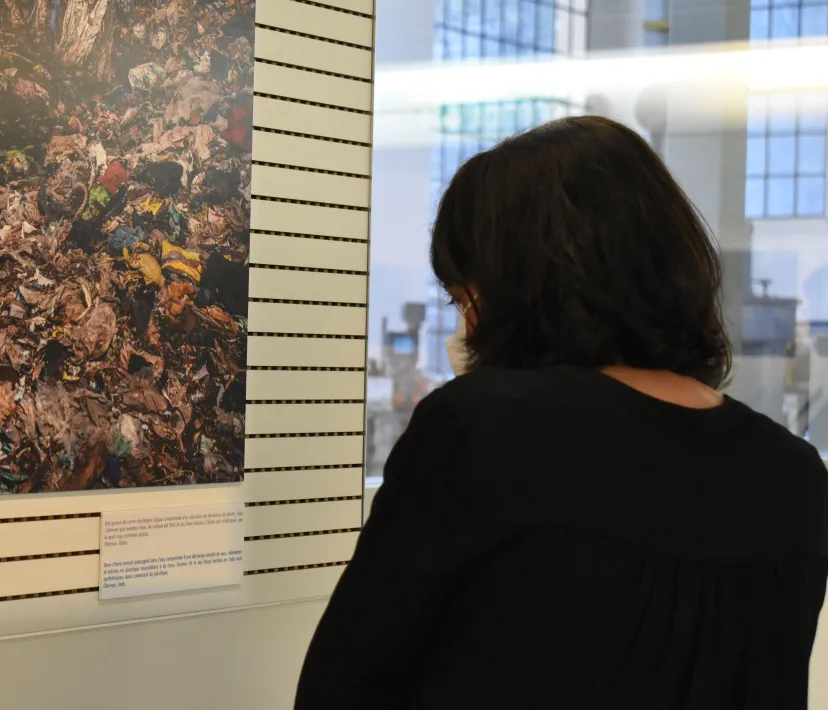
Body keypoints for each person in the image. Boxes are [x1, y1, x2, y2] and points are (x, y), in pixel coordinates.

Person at [294, 116, 828, 709]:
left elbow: (342, 685)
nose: (465, 323)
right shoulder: (795, 476)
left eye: (463, 296)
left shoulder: (483, 429)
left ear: (516, 285)